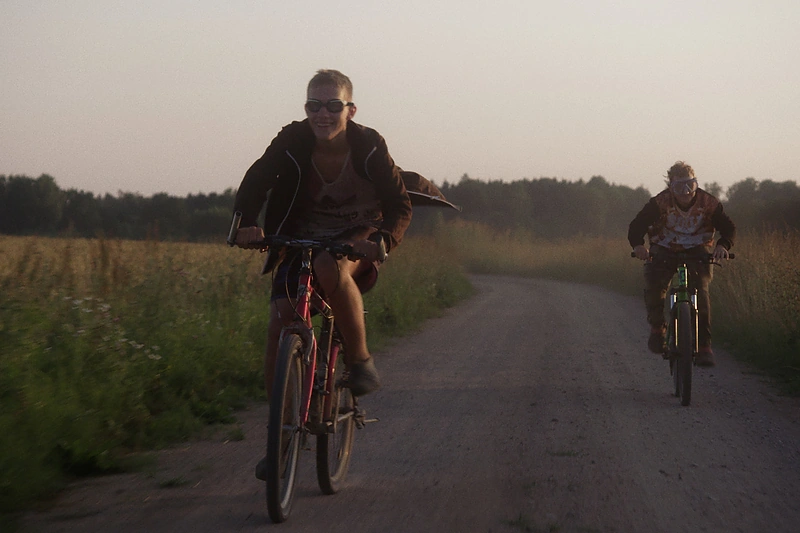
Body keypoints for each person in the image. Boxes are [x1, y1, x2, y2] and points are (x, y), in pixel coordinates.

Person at [231, 70, 413, 479]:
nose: (323, 114)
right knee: (279, 324)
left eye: (333, 105)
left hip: (357, 235)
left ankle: (361, 359)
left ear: (351, 109)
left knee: (330, 266)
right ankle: (279, 439)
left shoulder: (368, 145)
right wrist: (243, 222)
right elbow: (258, 179)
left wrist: (384, 239)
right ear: (306, 109)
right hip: (300, 236)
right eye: (314, 105)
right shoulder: (292, 140)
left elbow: (400, 203)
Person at [628, 161, 736, 367]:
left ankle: (704, 346)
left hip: (698, 248)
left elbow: (728, 228)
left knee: (701, 291)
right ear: (670, 187)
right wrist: (638, 246)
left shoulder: (709, 202)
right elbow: (637, 225)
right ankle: (658, 328)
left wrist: (723, 246)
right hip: (663, 246)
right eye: (679, 187)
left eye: (690, 185)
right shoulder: (659, 202)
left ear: (696, 184)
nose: (686, 192)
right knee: (655, 285)